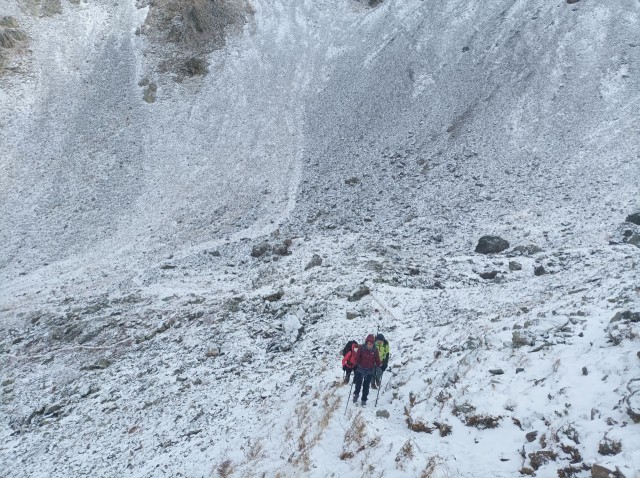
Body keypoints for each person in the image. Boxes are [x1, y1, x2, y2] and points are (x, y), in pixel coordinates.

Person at [352, 334, 381, 406]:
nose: (369, 345)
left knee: (366, 385)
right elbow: (356, 357)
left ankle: (364, 399)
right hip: (360, 368)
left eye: (371, 344)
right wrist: (355, 364)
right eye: (368, 343)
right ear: (366, 342)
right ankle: (356, 395)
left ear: (373, 343)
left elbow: (377, 359)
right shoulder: (361, 347)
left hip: (369, 370)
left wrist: (380, 365)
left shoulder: (375, 349)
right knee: (358, 384)